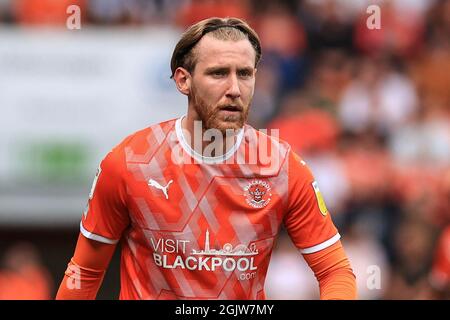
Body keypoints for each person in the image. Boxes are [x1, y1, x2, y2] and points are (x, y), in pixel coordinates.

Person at [56, 17, 356, 300]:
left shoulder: (283, 167)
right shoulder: (129, 163)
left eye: (245, 74)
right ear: (183, 81)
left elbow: (335, 271)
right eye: (218, 73)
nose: (234, 89)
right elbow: (85, 271)